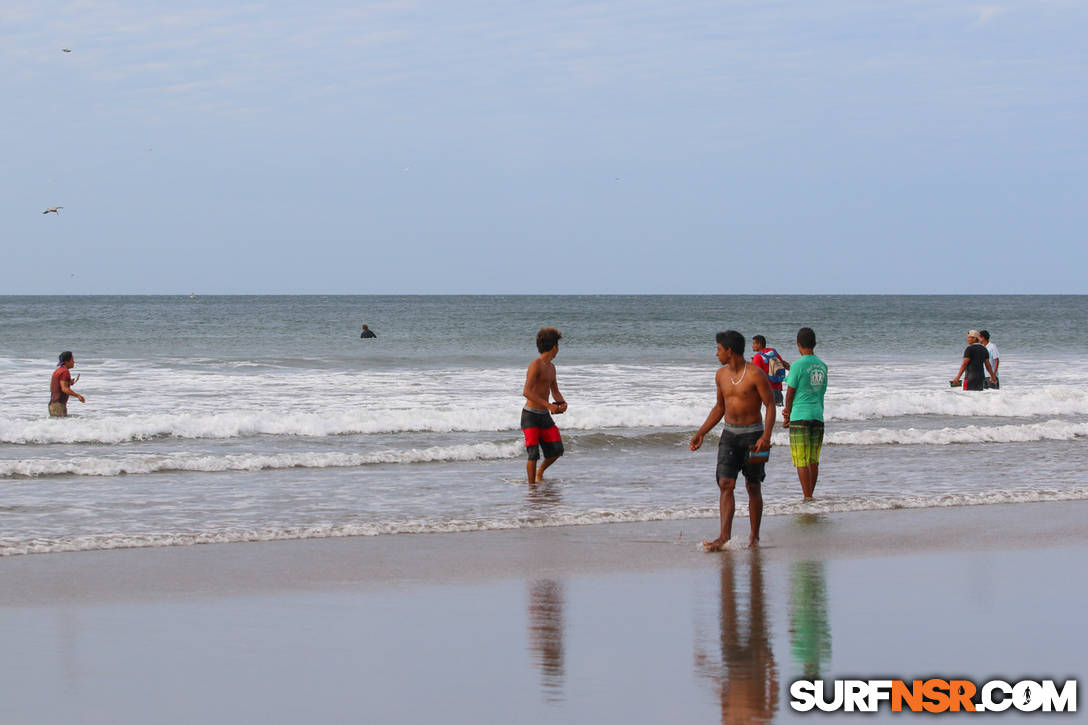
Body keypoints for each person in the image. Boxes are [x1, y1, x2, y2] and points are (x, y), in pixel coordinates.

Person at [689, 330, 776, 550]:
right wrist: (701, 432)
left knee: (753, 486)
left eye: (718, 349)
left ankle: (754, 537)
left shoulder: (755, 374)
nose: (716, 353)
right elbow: (719, 407)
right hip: (729, 435)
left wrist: (766, 436)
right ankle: (723, 537)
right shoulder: (720, 375)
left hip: (753, 435)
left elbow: (770, 405)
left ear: (730, 350)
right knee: (725, 483)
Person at [782, 327, 828, 499]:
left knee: (801, 459)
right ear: (814, 343)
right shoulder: (823, 366)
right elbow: (815, 387)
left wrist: (787, 414)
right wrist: (789, 367)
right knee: (813, 459)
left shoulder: (797, 366)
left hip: (800, 416)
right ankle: (811, 495)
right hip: (817, 415)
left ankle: (807, 497)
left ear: (798, 344)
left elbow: (791, 393)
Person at [521, 327, 567, 484]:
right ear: (554, 347)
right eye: (558, 346)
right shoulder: (536, 364)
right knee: (533, 454)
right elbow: (526, 391)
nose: (558, 349)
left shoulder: (552, 368)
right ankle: (532, 488)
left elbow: (555, 391)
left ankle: (540, 471)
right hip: (530, 416)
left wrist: (562, 403)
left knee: (557, 450)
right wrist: (548, 405)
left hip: (544, 416)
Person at [751, 335, 790, 406]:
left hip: (766, 392)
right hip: (778, 390)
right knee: (778, 413)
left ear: (759, 344)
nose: (752, 346)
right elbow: (783, 363)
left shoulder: (757, 357)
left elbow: (755, 377)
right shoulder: (773, 352)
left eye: (754, 343)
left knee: (769, 414)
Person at [49, 351, 85, 417]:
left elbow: (53, 386)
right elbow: (64, 389)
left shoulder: (58, 371)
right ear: (66, 362)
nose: (74, 362)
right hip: (58, 405)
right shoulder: (65, 372)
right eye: (72, 360)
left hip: (53, 404)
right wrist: (78, 395)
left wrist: (69, 382)